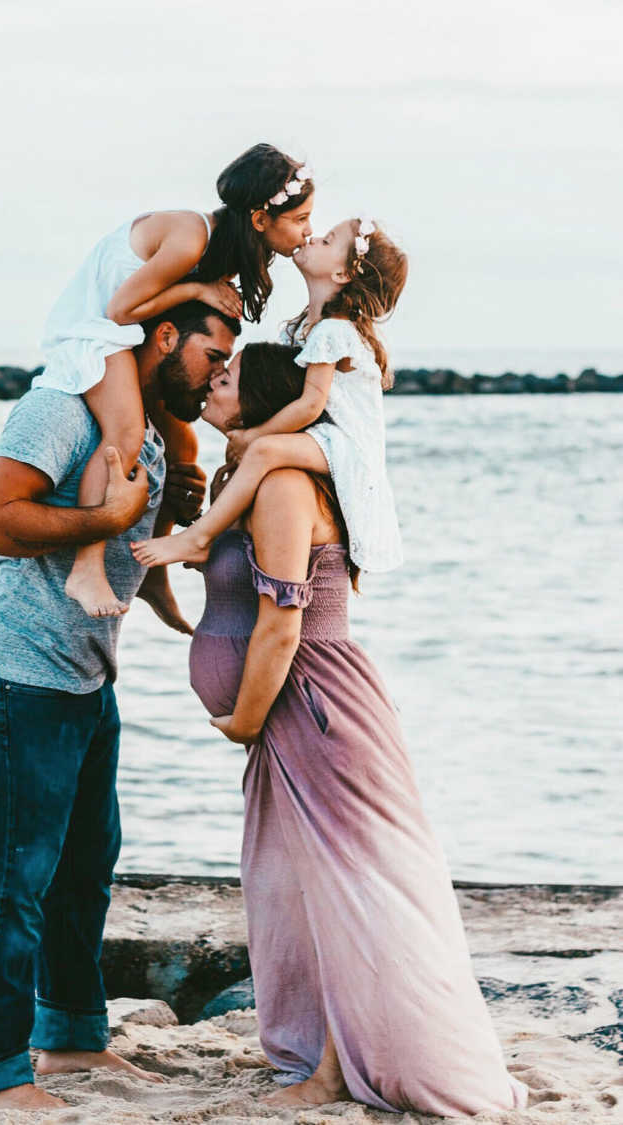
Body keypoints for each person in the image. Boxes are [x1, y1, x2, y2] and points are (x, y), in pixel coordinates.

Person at [186, 344, 529, 1115]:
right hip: (293, 709)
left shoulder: (280, 483)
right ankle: (322, 1049)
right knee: (301, 886)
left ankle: (336, 1072)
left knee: (349, 886)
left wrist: (242, 714)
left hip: (313, 700)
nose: (214, 380)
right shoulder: (248, 478)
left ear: (266, 400)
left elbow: (282, 623)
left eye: (229, 376)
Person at [0, 301, 240, 1111]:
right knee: (17, 876)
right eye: (213, 352)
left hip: (82, 675)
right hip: (15, 670)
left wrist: (176, 512)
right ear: (164, 336)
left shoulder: (144, 426)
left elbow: (133, 558)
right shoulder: (63, 409)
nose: (219, 373)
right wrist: (109, 513)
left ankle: (72, 1039)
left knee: (85, 868)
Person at [33, 142, 314, 617]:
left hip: (124, 330)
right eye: (301, 219)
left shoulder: (225, 247)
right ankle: (87, 565)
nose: (309, 232)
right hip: (94, 329)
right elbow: (120, 310)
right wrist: (197, 287)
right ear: (262, 220)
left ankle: (152, 577)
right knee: (124, 434)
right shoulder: (191, 236)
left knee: (179, 443)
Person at [132, 218, 406, 576]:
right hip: (323, 435)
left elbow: (311, 404)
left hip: (345, 443)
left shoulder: (333, 330)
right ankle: (219, 536)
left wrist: (255, 436)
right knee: (248, 460)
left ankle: (198, 538)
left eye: (327, 241)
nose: (313, 235)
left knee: (262, 452)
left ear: (341, 275)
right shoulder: (309, 325)